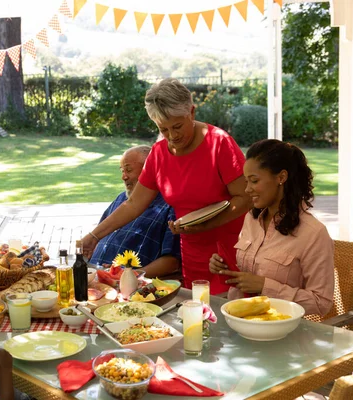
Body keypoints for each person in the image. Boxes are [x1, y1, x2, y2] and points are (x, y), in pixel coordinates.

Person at [82, 78, 250, 294]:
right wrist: (94, 236)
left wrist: (205, 226)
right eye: (164, 129)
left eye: (177, 126)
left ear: (192, 112)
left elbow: (245, 198)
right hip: (192, 254)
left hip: (228, 253)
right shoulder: (159, 153)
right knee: (198, 315)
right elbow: (133, 204)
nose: (172, 136)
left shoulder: (219, 143)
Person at [209, 140, 334, 316]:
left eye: (254, 181)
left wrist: (265, 287)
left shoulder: (314, 234)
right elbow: (251, 272)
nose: (247, 189)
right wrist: (224, 268)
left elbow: (321, 303)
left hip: (281, 332)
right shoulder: (251, 219)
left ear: (281, 178)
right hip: (238, 322)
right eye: (246, 181)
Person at [89, 145, 181, 278]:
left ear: (149, 170)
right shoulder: (121, 199)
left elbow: (171, 263)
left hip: (130, 286)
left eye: (128, 170)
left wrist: (129, 275)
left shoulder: (170, 206)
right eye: (122, 171)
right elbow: (97, 238)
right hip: (94, 276)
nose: (123, 177)